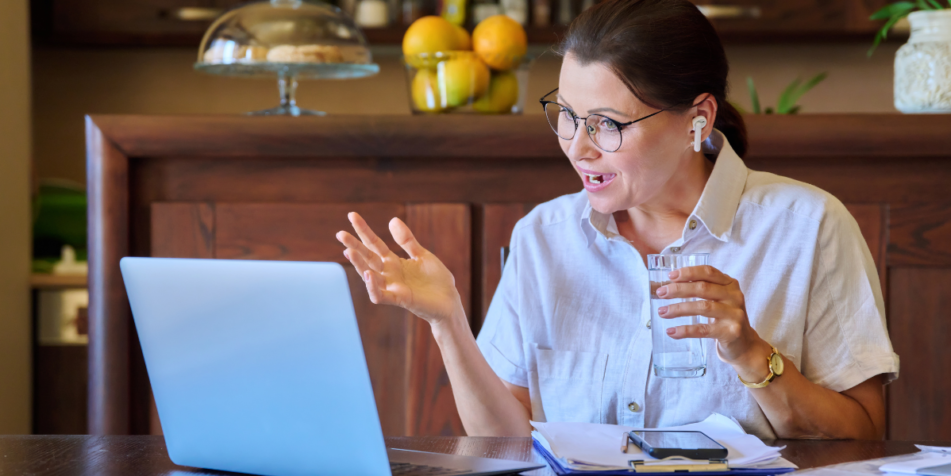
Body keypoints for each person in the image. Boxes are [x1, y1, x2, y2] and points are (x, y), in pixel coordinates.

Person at [337, 0, 899, 440]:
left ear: (696, 120)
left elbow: (864, 436)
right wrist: (447, 323)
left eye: (607, 124)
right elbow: (506, 441)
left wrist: (753, 355)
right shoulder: (543, 238)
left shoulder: (809, 227)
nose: (578, 148)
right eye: (567, 115)